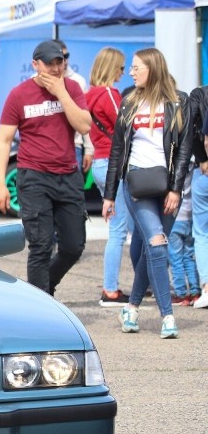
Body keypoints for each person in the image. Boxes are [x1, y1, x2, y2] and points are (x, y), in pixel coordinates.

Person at [103, 47, 192, 338]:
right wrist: (109, 194)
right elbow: (117, 151)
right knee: (156, 243)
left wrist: (176, 190)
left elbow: (184, 151)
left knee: (155, 249)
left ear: (151, 68)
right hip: (137, 185)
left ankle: (130, 308)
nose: (131, 72)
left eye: (136, 67)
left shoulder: (179, 102)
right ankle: (168, 316)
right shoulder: (128, 103)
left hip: (168, 188)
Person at [0, 39, 91, 295]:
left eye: (60, 62)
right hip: (33, 176)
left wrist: (61, 93)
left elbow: (84, 126)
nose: (56, 68)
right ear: (35, 65)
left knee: (73, 247)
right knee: (40, 246)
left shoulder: (72, 88)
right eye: (50, 64)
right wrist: (0, 184)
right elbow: (3, 141)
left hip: (68, 175)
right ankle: (42, 303)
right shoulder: (19, 94)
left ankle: (43, 289)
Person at [86, 46, 134, 307]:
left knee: (119, 227)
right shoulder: (108, 93)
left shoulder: (90, 94)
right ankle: (111, 290)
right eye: (121, 67)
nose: (123, 72)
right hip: (114, 164)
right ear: (111, 67)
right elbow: (124, 125)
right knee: (119, 230)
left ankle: (115, 287)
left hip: (100, 162)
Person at [54, 39, 93, 171]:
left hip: (73, 145)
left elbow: (86, 116)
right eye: (61, 57)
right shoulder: (35, 80)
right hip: (44, 147)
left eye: (67, 56)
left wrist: (89, 149)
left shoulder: (78, 81)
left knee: (73, 191)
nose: (65, 61)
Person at [187, 83, 208, 308]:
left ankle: (206, 287)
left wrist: (202, 158)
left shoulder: (199, 94)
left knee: (202, 233)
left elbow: (191, 129)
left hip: (203, 172)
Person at [169, 184, 200, 305]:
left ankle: (181, 294)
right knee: (189, 256)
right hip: (190, 216)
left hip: (175, 216)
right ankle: (195, 292)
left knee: (176, 258)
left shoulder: (173, 168)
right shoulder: (193, 167)